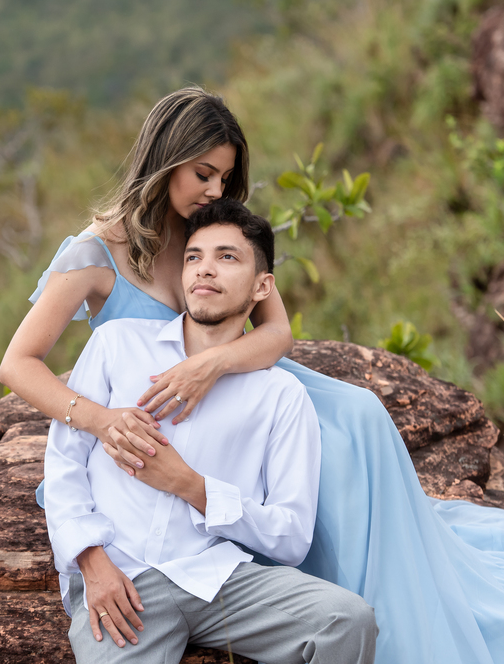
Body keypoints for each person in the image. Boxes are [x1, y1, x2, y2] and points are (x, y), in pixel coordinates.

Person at [0, 86, 504, 664]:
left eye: (224, 176)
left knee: (359, 423)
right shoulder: (96, 251)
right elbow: (16, 364)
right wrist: (100, 419)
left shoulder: (210, 236)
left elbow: (276, 332)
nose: (214, 189)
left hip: (239, 379)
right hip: (145, 408)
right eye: (203, 173)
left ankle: (380, 586)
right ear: (165, 159)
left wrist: (214, 361)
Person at [44, 201, 377, 664]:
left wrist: (192, 486)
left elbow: (292, 536)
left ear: (263, 286)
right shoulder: (116, 344)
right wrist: (90, 562)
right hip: (123, 580)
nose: (204, 270)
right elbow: (63, 463)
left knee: (347, 620)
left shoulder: (281, 394)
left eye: (227, 257)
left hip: (219, 579)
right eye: (194, 257)